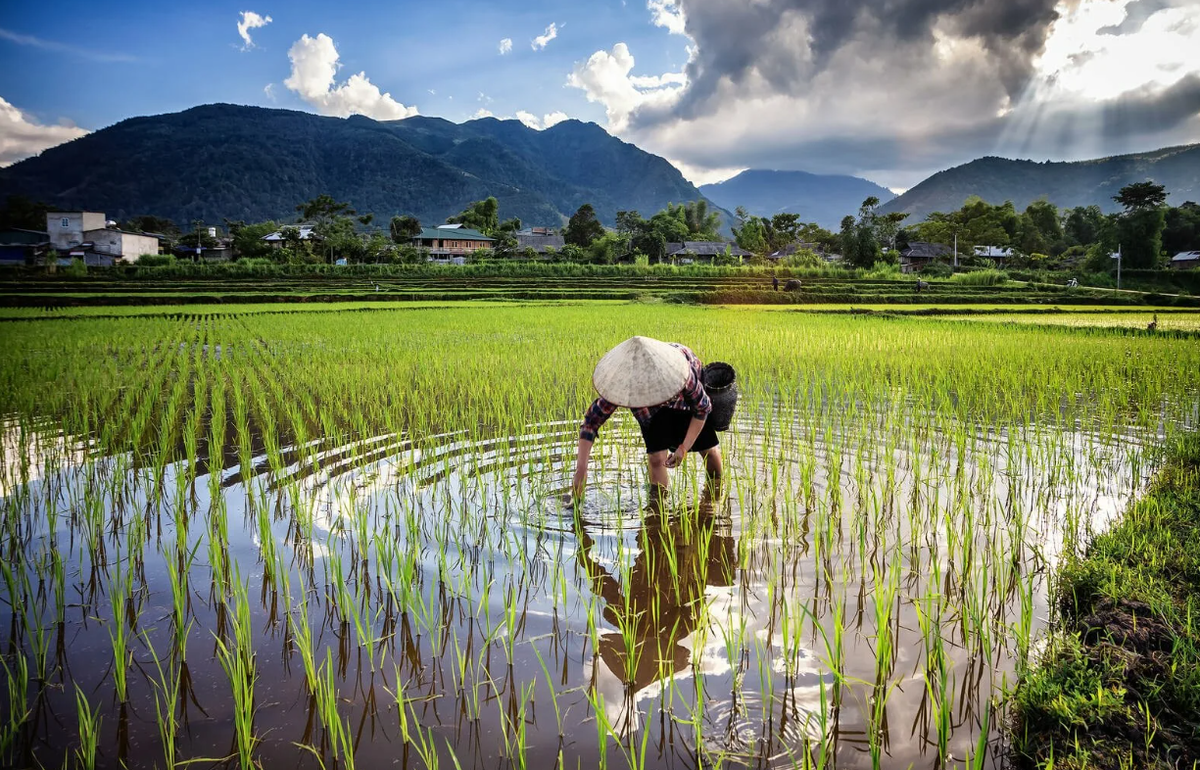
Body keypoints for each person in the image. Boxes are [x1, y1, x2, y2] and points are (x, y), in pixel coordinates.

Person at [573, 336, 722, 498]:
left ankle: (716, 494)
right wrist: (581, 470)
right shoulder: (624, 384)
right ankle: (659, 511)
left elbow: (702, 408)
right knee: (656, 458)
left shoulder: (682, 371)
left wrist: (683, 448)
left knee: (708, 449)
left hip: (684, 404)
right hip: (650, 415)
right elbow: (591, 422)